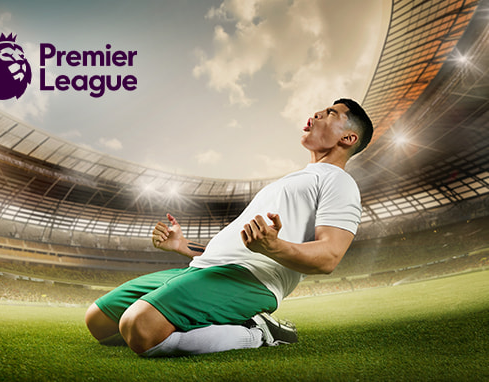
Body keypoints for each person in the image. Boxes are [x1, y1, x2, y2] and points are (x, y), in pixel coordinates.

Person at [85, 98, 373, 357]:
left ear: (348, 138)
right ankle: (200, 319)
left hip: (251, 279)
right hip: (203, 268)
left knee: (139, 327)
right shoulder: (297, 178)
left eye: (330, 113)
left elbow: (329, 257)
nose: (317, 113)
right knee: (98, 321)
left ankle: (257, 333)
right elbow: (236, 244)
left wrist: (275, 246)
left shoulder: (339, 182)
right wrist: (183, 247)